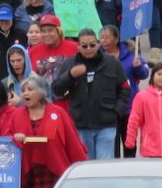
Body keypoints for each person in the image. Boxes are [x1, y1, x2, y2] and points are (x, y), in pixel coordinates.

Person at [9, 75, 88, 188]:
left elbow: (72, 140)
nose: (25, 93)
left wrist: (81, 167)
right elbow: (6, 139)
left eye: (30, 90)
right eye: (23, 90)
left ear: (41, 93)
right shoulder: (16, 115)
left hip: (53, 169)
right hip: (28, 171)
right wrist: (14, 138)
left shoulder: (58, 113)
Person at [52, 29, 130, 161]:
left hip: (107, 124)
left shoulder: (112, 62)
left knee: (103, 167)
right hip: (81, 125)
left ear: (98, 44)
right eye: (84, 46)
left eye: (92, 45)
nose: (89, 49)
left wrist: (117, 111)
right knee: (86, 166)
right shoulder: (70, 63)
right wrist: (70, 75)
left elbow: (125, 88)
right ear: (78, 47)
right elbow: (56, 90)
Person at [99, 25, 149, 158]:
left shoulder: (131, 53)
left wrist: (138, 67)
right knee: (111, 144)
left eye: (107, 37)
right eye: (101, 38)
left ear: (116, 39)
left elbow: (144, 74)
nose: (103, 41)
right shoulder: (96, 56)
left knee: (129, 142)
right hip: (107, 107)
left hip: (129, 106)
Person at [30, 14, 79, 91]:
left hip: (70, 99)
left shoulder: (75, 48)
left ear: (59, 31)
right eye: (43, 31)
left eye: (50, 30)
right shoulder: (33, 51)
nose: (46, 34)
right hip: (44, 100)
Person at [0, 5, 28, 79]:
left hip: (20, 79)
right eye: (1, 20)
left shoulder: (22, 35)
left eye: (7, 20)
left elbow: (27, 56)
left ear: (12, 19)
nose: (4, 23)